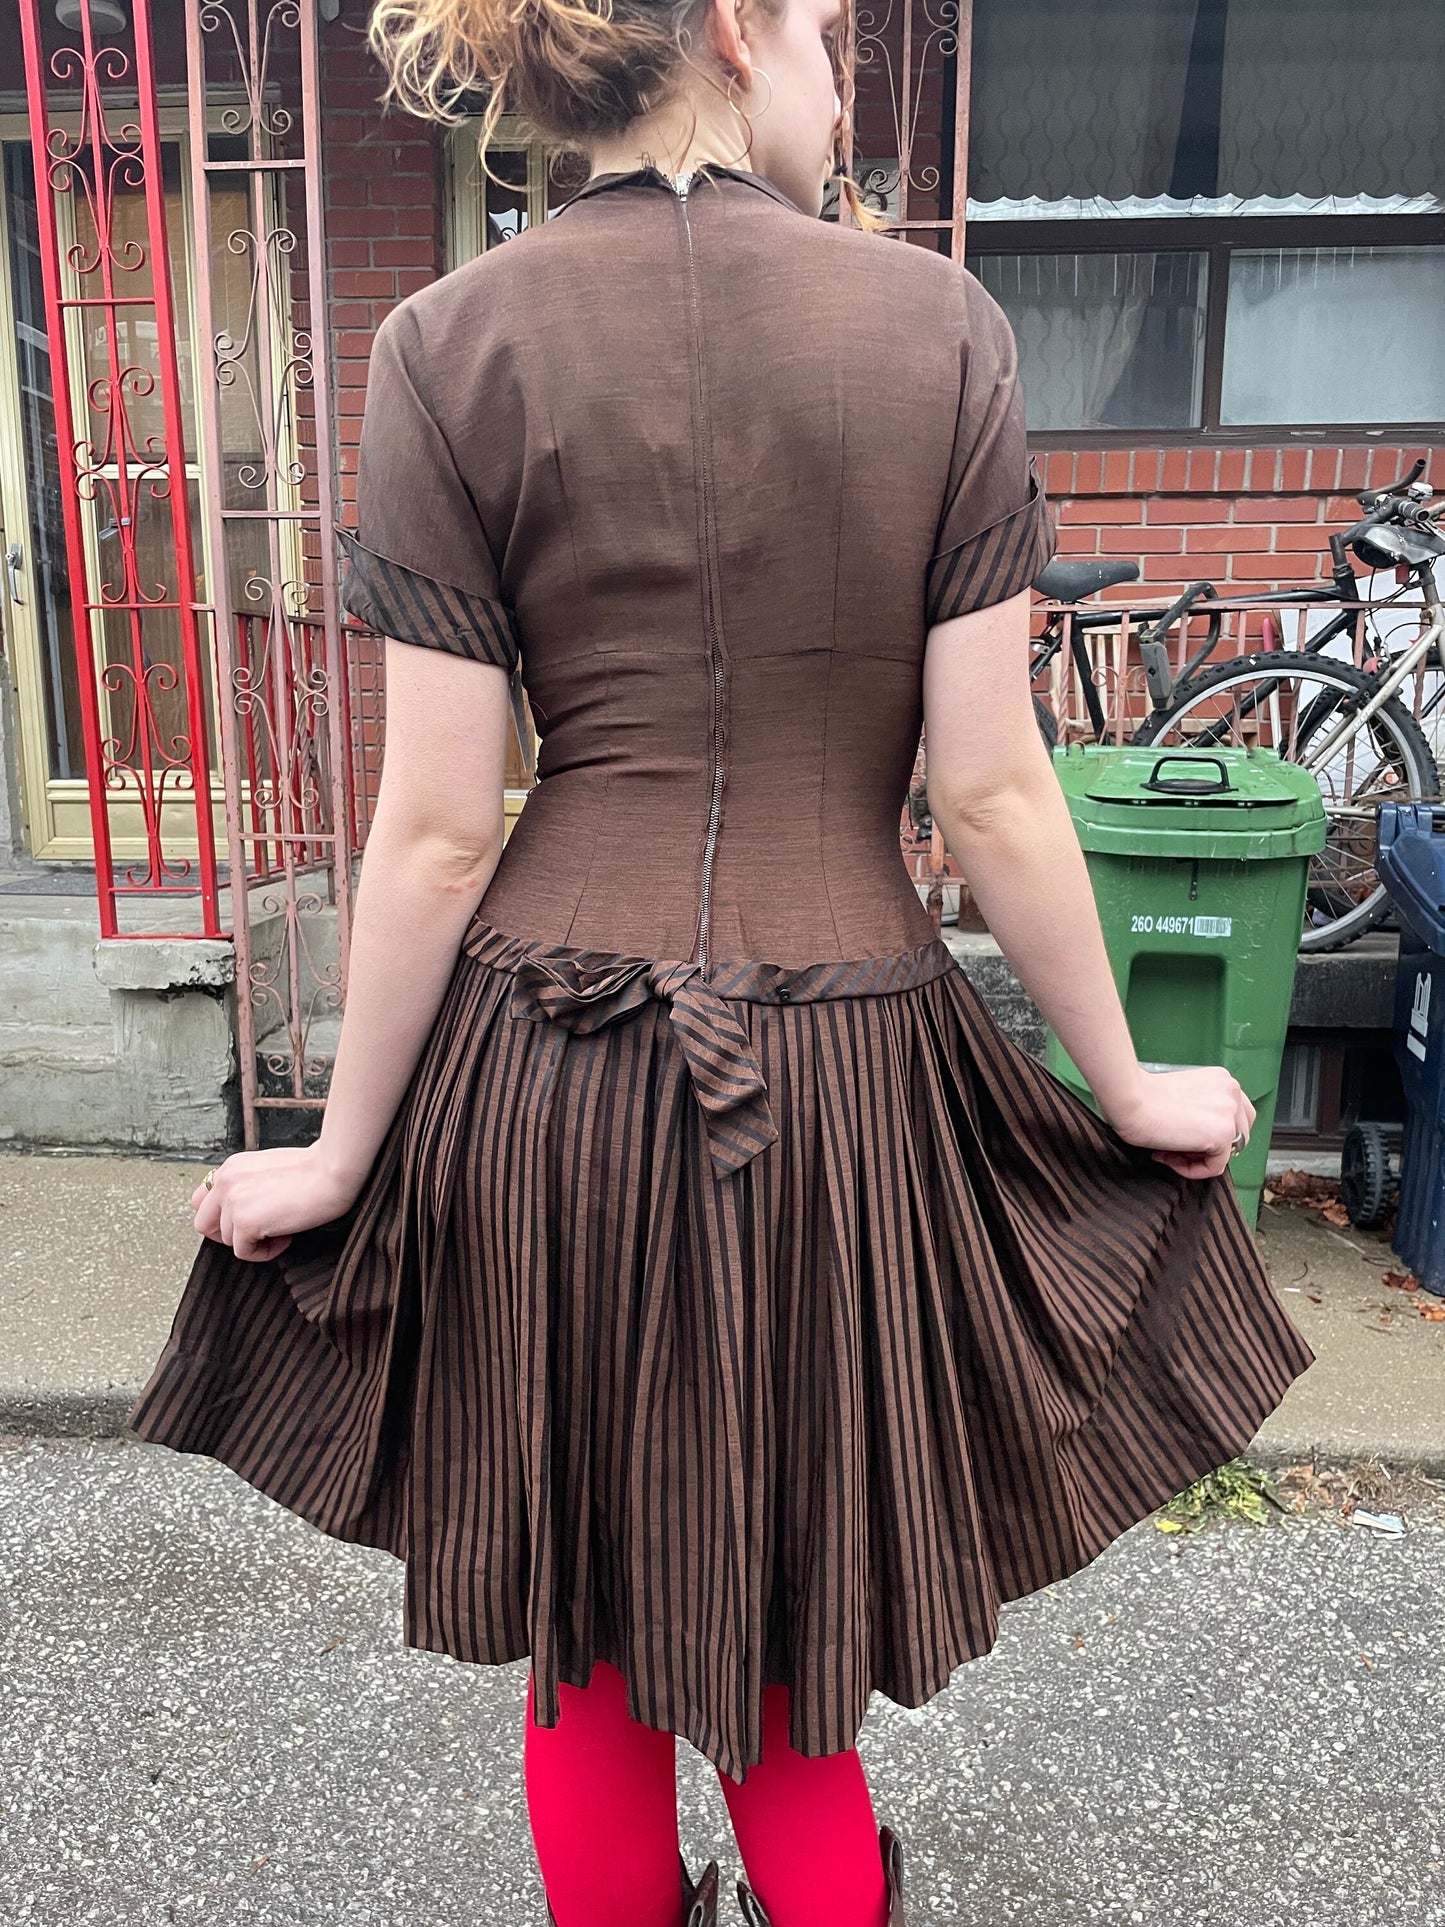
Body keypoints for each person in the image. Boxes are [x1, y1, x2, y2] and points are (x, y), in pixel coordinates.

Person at [126, 0, 1316, 1922]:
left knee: (587, 1642)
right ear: (744, 34)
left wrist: (339, 1154)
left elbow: (435, 825)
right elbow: (993, 793)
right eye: (835, 40)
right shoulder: (940, 331)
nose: (840, 87)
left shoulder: (444, 344)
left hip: (537, 1068)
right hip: (842, 1080)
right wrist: (1128, 1087)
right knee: (784, 1672)